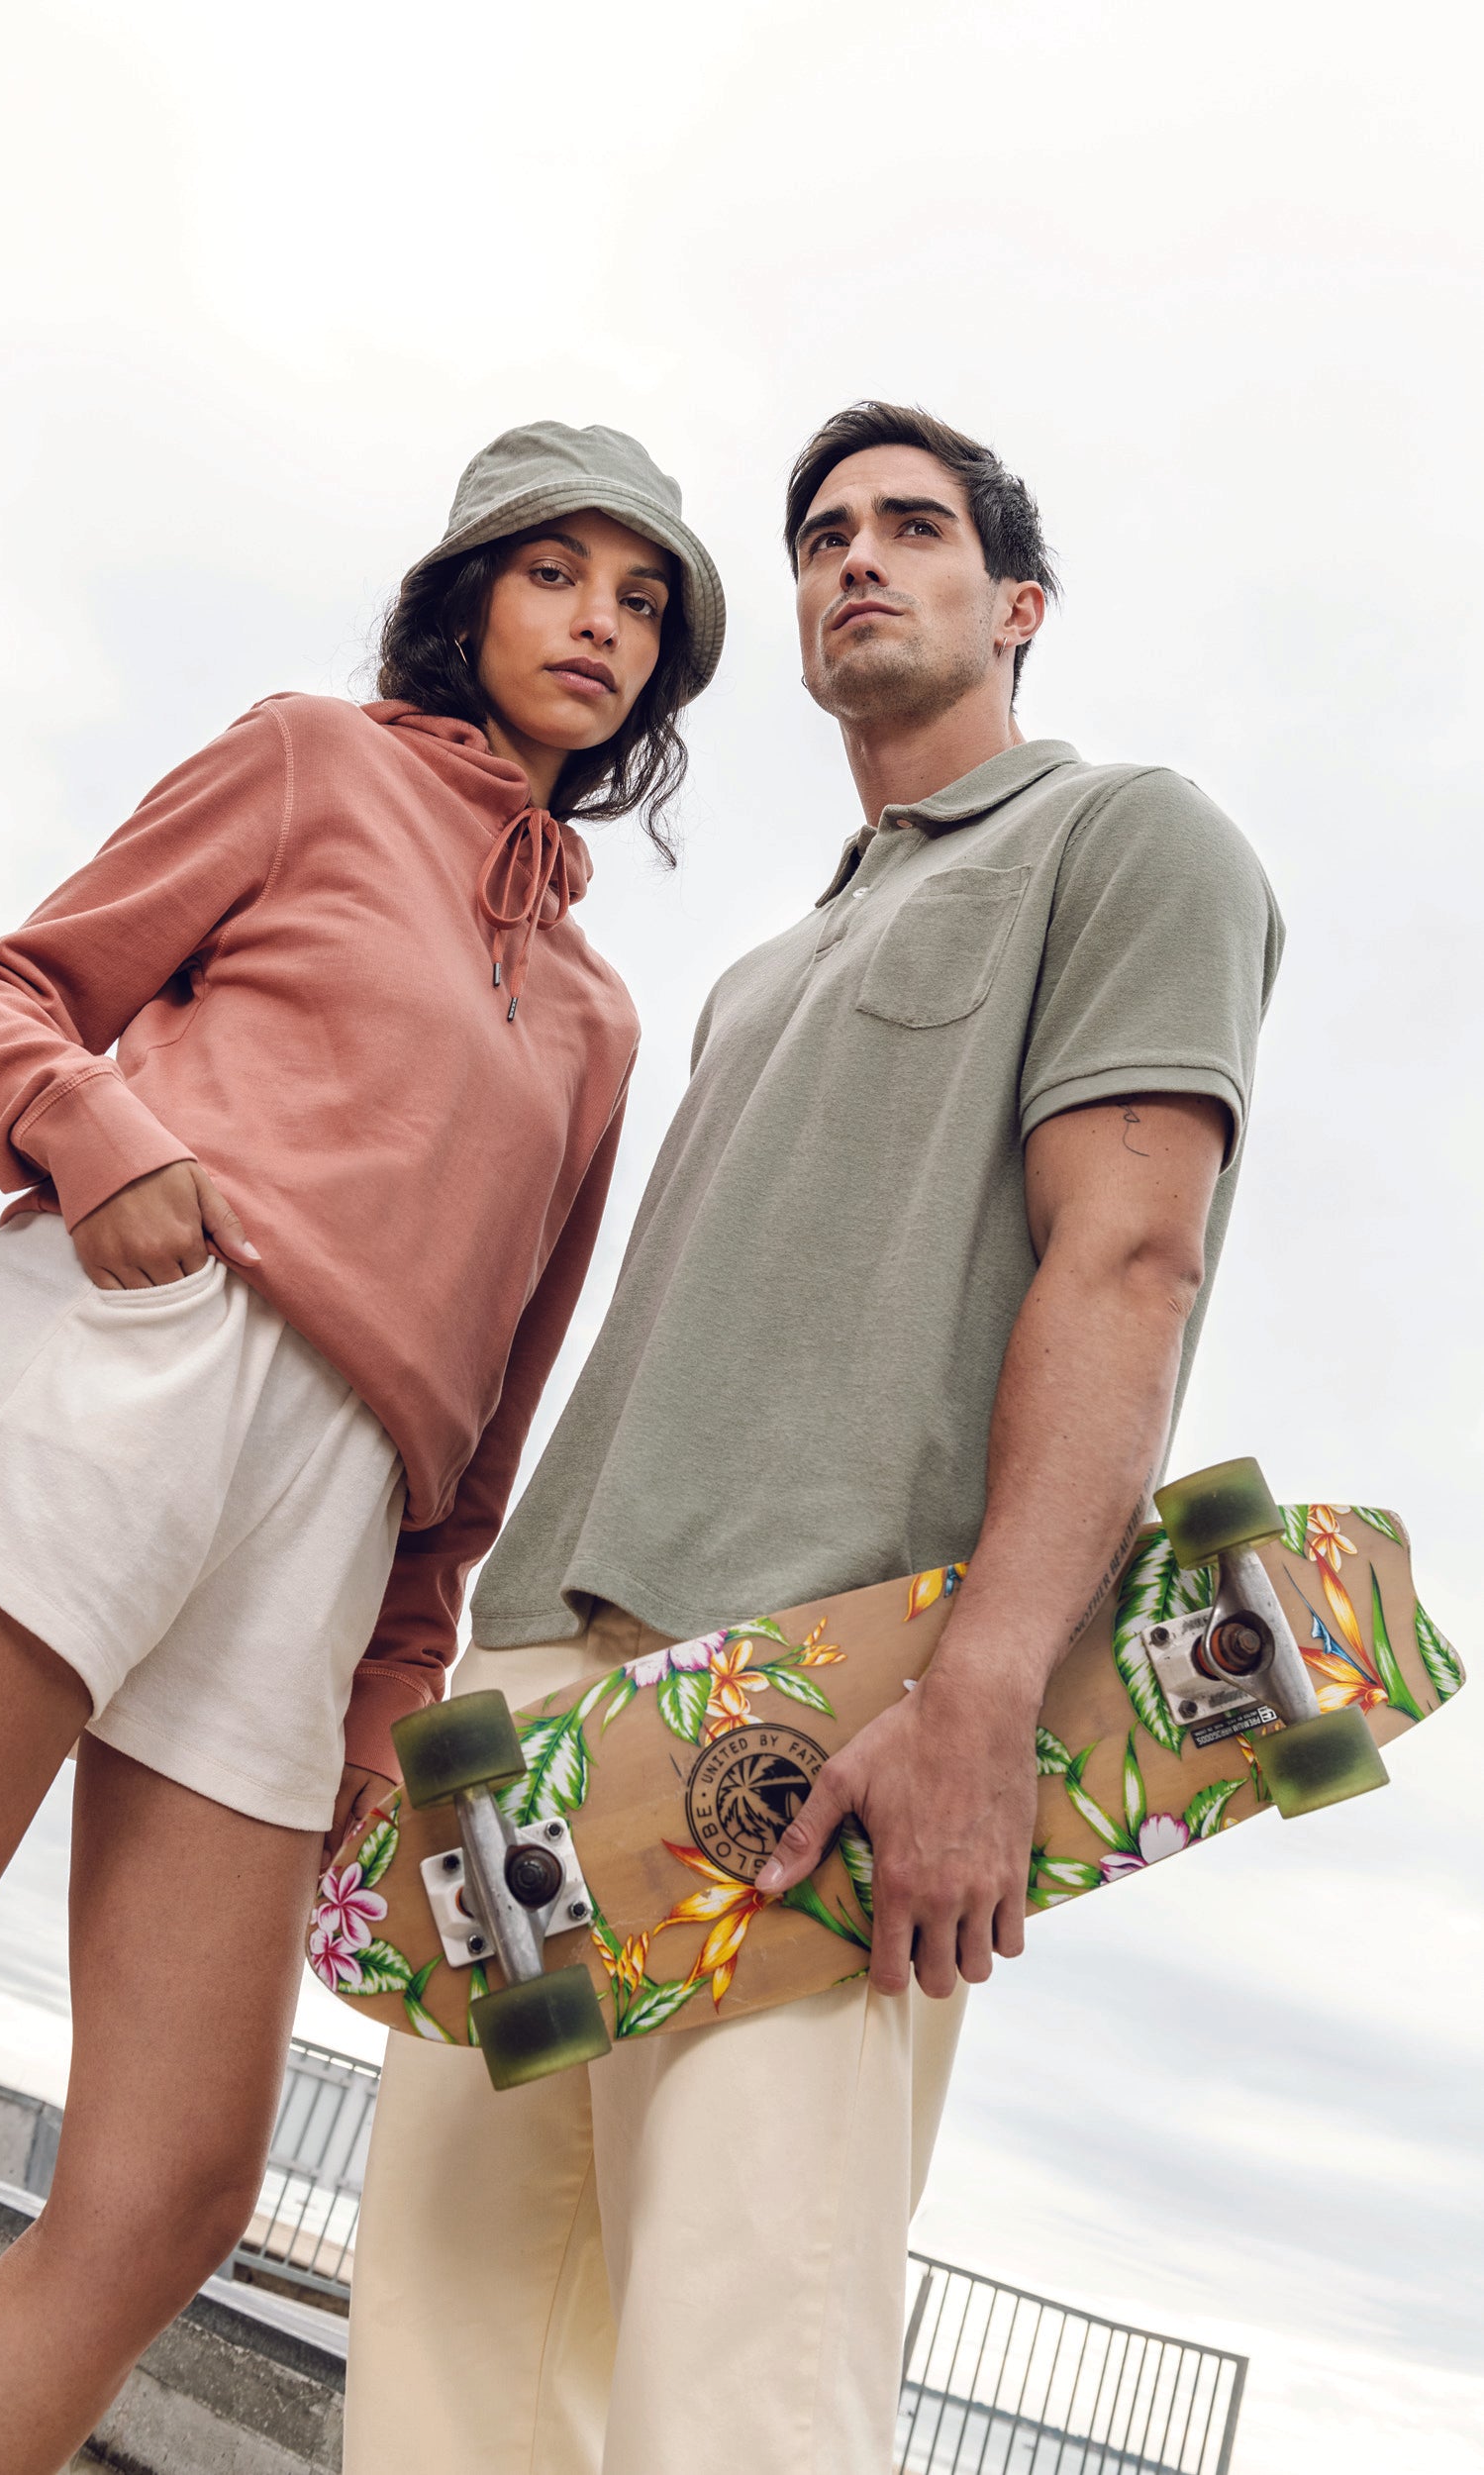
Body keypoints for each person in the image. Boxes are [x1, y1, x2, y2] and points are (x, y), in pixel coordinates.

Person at [345, 401, 1284, 2475]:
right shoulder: (755, 974)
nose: (856, 555)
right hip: (539, 1695)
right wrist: (446, 1675)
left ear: (1017, 603)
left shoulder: (1130, 838)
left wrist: (984, 1698)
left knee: (741, 2384)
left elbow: (1130, 1262)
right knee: (442, 2360)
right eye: (821, 535)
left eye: (914, 526)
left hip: (828, 1698)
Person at [0, 420, 724, 2475]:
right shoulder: (313, 760)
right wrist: (96, 1132)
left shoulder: (597, 1020)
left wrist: (396, 1681)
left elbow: (498, 1394)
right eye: (557, 571)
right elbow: (0, 994)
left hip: (324, 1541)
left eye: (642, 599)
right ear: (467, 596)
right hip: (123, 1371)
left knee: (170, 2190)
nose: (599, 622)